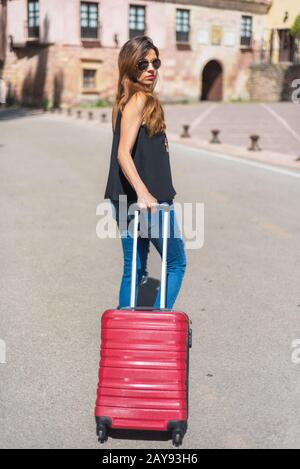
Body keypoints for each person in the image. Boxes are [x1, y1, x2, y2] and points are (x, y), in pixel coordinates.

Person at [103, 36, 187, 310]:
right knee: (175, 263)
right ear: (130, 66)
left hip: (124, 198)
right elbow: (123, 153)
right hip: (149, 200)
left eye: (155, 62)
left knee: (134, 268)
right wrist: (144, 192)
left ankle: (125, 332)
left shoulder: (123, 101)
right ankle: (159, 326)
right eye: (143, 63)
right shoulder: (139, 100)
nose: (151, 68)